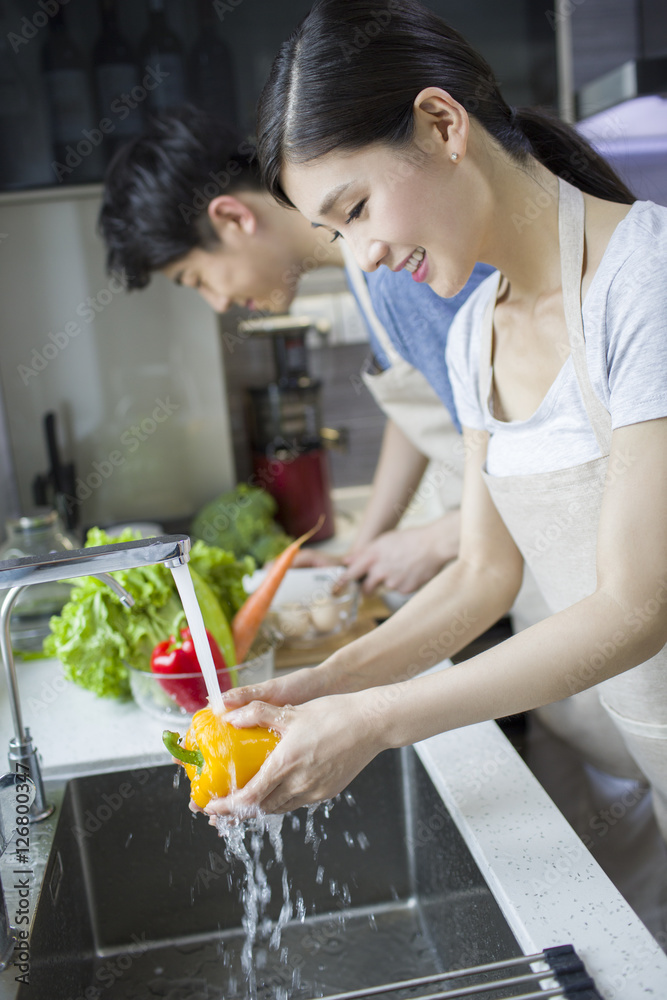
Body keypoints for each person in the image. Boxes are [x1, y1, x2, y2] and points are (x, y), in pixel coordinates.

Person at [209, 0, 667, 928]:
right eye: (336, 236)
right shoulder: (472, 343)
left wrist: (379, 720)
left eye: (357, 209)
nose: (366, 257)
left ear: (442, 124)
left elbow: (636, 606)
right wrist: (323, 683)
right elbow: (480, 576)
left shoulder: (643, 280)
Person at [98, 106, 494, 596]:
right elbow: (421, 409)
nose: (218, 302)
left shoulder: (398, 268)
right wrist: (359, 553)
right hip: (504, 548)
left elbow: (532, 435)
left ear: (232, 218)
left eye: (197, 279)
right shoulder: (366, 269)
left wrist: (437, 540)